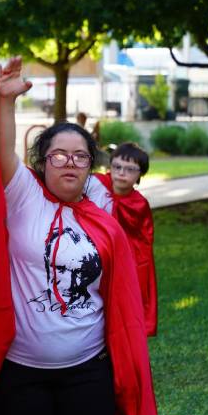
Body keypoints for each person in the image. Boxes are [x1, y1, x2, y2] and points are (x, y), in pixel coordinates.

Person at [0, 57, 164, 415]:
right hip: (21, 376)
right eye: (59, 154)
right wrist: (6, 101)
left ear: (90, 165)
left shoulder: (102, 210)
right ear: (42, 161)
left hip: (89, 371)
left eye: (81, 156)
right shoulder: (24, 196)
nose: (70, 162)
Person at [90, 142, 158, 337]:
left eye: (130, 169)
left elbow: (141, 243)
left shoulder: (139, 204)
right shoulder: (94, 185)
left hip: (119, 260)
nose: (121, 173)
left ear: (140, 175)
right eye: (117, 167)